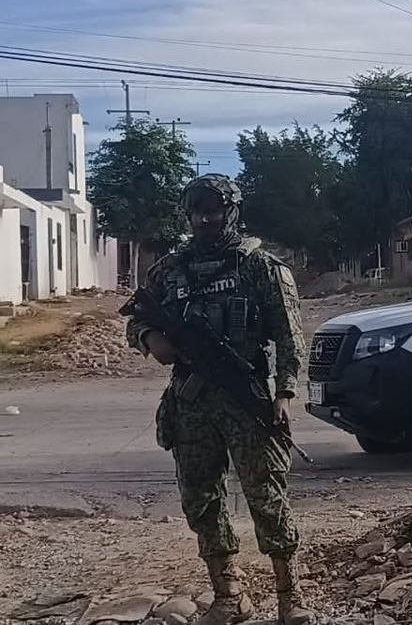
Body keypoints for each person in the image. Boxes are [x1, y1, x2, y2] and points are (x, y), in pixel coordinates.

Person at [124, 174, 313, 625]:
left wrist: (285, 393)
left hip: (247, 400)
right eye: (198, 210)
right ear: (187, 214)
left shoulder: (261, 267)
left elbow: (289, 338)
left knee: (267, 497)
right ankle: (229, 595)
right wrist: (150, 337)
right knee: (201, 501)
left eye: (215, 209)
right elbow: (134, 318)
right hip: (190, 404)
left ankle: (291, 595)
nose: (206, 219)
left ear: (232, 211)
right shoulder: (168, 271)